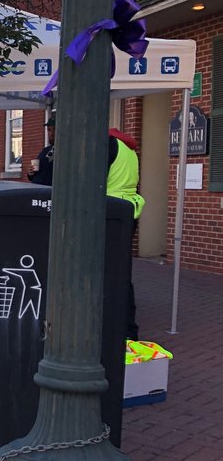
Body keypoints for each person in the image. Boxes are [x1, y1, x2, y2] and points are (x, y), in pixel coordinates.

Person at [107, 128, 144, 341]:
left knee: (107, 274)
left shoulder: (107, 145)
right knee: (122, 274)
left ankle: (119, 328)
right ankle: (128, 329)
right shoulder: (128, 147)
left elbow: (93, 181)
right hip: (127, 213)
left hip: (108, 213)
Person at [28, 114, 56, 185]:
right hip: (37, 190)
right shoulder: (45, 151)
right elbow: (37, 170)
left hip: (48, 191)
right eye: (49, 130)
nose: (51, 134)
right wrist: (31, 173)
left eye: (55, 129)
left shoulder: (65, 152)